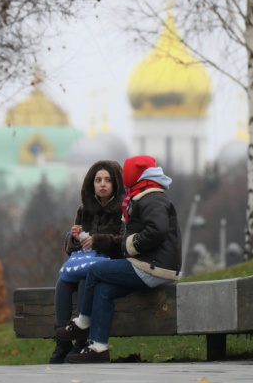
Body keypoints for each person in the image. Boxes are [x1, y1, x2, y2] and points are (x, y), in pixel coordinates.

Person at [56, 155, 182, 363]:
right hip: (148, 264)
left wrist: (130, 244)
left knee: (95, 271)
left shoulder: (152, 198)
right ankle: (98, 348)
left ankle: (83, 321)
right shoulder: (142, 196)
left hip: (153, 266)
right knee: (104, 290)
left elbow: (157, 231)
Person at [49, 159, 125, 364]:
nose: (102, 184)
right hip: (86, 263)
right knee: (63, 283)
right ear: (91, 183)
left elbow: (124, 242)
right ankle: (63, 341)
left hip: (109, 266)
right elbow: (72, 249)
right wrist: (74, 238)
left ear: (116, 184)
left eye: (108, 180)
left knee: (85, 282)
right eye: (98, 180)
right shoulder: (84, 210)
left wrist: (97, 241)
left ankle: (81, 342)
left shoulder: (123, 209)